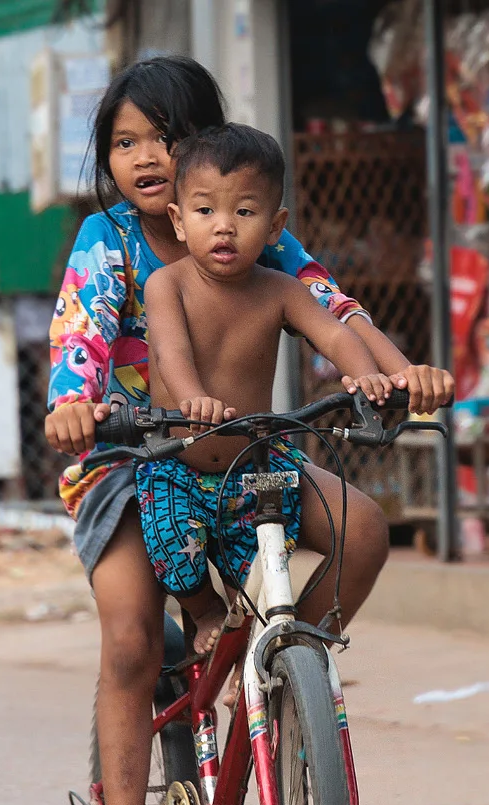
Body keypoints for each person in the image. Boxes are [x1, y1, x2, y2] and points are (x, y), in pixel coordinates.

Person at [40, 56, 452, 805]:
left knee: (365, 529)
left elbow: (336, 310)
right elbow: (80, 339)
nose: (146, 158)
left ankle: (280, 661)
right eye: (124, 141)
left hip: (253, 455)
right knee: (132, 639)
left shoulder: (252, 233)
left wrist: (401, 374)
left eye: (165, 138)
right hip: (128, 456)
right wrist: (73, 404)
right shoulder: (108, 244)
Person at [137, 122, 394, 677]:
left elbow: (334, 335)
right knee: (171, 545)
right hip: (178, 461)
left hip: (257, 462)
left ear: (275, 226)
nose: (224, 227)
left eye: (245, 213)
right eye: (206, 212)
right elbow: (172, 354)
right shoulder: (168, 285)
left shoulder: (281, 290)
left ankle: (280, 666)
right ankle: (205, 615)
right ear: (179, 222)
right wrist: (194, 400)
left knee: (263, 578)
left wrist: (366, 378)